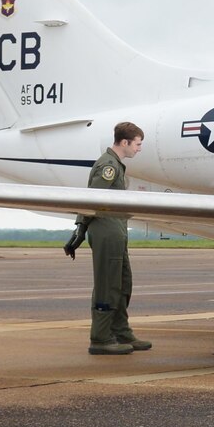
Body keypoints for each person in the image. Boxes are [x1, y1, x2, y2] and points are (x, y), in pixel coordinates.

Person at [63, 121, 152, 355]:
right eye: (137, 144)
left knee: (123, 283)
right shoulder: (108, 166)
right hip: (106, 231)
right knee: (107, 285)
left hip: (117, 231)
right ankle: (101, 337)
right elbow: (92, 198)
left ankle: (121, 330)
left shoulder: (116, 165)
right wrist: (80, 228)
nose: (139, 149)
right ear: (125, 142)